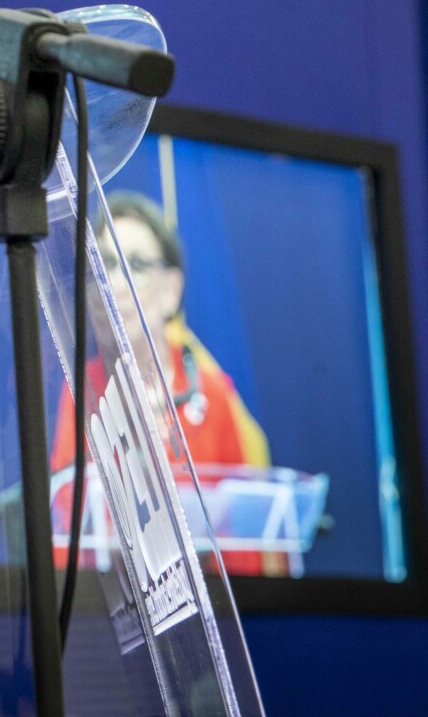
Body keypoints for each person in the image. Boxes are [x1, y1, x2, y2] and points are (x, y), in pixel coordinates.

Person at [51, 191, 274, 575]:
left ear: (171, 290)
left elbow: (241, 545)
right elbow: (68, 531)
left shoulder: (212, 392)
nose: (113, 284)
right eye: (103, 266)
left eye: (135, 265)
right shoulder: (81, 391)